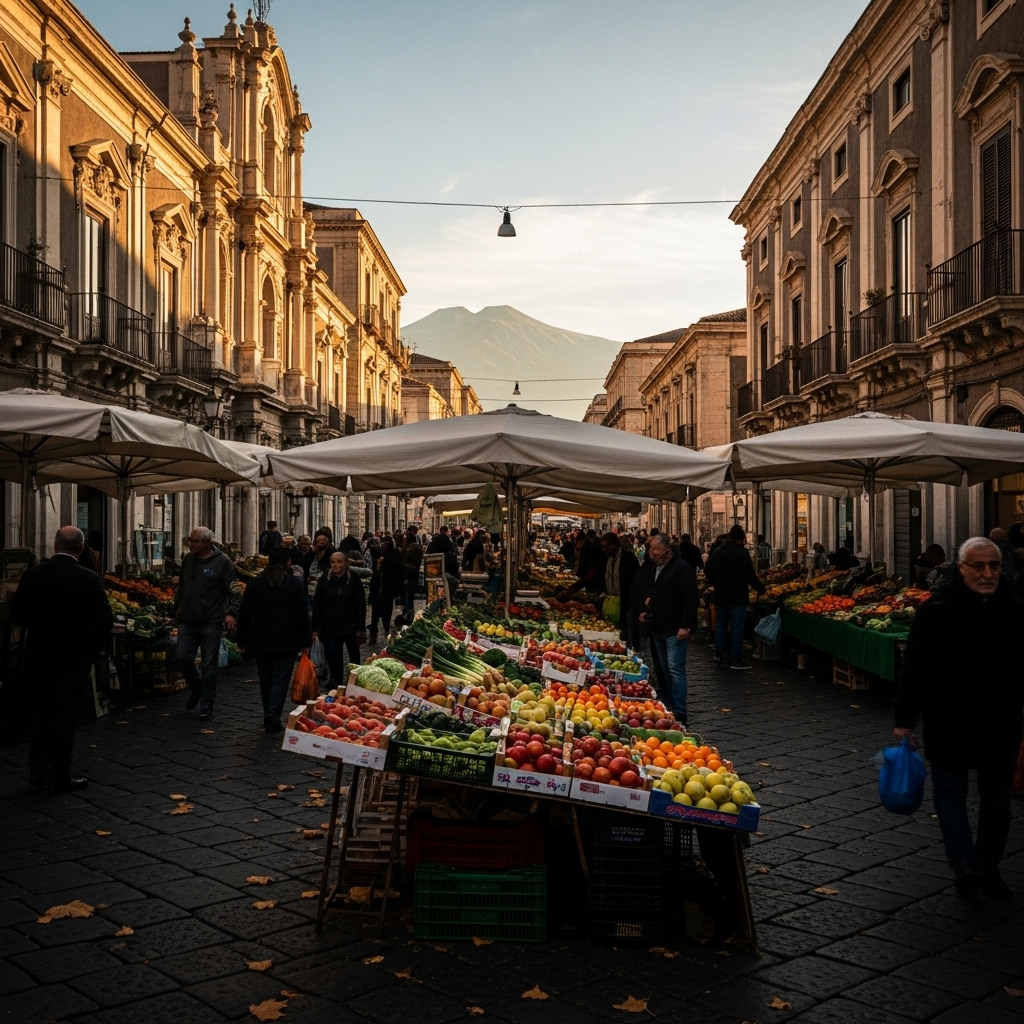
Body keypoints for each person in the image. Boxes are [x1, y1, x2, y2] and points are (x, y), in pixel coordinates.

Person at [895, 537, 1023, 899]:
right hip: (948, 720)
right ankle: (964, 862)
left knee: (997, 800)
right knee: (950, 793)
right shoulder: (935, 610)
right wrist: (905, 720)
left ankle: (988, 866)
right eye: (978, 566)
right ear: (962, 568)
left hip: (1001, 722)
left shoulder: (1015, 611)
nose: (987, 573)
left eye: (994, 566)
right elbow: (914, 666)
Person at [10, 526, 114, 792]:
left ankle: (36, 772)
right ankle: (59, 774)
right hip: (73, 659)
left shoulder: (33, 576)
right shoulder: (88, 579)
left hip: (40, 657)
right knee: (65, 716)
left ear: (55, 545)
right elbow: (104, 620)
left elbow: (17, 616)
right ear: (81, 549)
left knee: (41, 713)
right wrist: (90, 650)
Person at [236, 545, 311, 732]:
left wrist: (242, 640)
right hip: (287, 638)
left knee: (265, 678)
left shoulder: (255, 583)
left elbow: (244, 613)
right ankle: (272, 716)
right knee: (280, 679)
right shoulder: (293, 584)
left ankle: (268, 714)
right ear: (287, 562)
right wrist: (306, 640)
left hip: (261, 637)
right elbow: (302, 613)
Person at [174, 526, 241, 720]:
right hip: (188, 619)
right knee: (183, 657)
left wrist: (230, 613)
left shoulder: (222, 562)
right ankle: (197, 687)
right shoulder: (188, 560)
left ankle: (206, 704)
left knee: (209, 665)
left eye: (195, 541)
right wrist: (177, 607)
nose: (191, 545)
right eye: (190, 541)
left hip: (211, 621)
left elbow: (234, 592)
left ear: (207, 543)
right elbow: (182, 586)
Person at [640, 534, 699, 725]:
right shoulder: (656, 568)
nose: (652, 553)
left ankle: (680, 711)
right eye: (651, 549)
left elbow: (691, 598)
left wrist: (685, 625)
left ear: (667, 551)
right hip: (659, 626)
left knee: (675, 668)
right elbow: (655, 593)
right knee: (665, 670)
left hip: (675, 628)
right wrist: (647, 610)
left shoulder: (682, 569)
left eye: (655, 550)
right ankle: (671, 705)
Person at [704, 525, 765, 670]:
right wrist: (760, 588)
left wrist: (716, 583)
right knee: (737, 627)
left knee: (721, 625)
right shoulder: (741, 553)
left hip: (721, 595)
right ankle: (736, 660)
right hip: (738, 596)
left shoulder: (718, 551)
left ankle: (718, 655)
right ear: (742, 539)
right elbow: (749, 574)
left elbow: (707, 570)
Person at [312, 551, 367, 684]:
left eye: (339, 562)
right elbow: (318, 603)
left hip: (350, 625)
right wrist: (315, 626)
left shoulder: (353, 579)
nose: (335, 565)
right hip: (330, 625)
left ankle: (354, 680)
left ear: (345, 563)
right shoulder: (325, 580)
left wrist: (360, 626)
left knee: (353, 654)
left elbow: (360, 604)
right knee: (332, 654)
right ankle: (335, 678)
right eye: (332, 562)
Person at [601, 532, 639, 638]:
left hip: (625, 604)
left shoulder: (629, 559)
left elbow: (635, 583)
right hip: (609, 603)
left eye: (606, 546)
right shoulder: (605, 559)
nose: (604, 549)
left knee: (624, 634)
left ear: (614, 545)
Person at [368, 537, 404, 643]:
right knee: (375, 613)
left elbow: (397, 573)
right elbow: (375, 571)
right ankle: (373, 634)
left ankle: (387, 631)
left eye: (385, 544)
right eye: (382, 544)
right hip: (377, 588)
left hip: (388, 589)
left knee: (386, 612)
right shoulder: (379, 554)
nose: (383, 547)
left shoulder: (394, 555)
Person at [402, 528, 424, 611]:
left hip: (407, 573)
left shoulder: (408, 550)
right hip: (415, 572)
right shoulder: (418, 549)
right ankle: (410, 609)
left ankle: (407, 610)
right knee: (411, 593)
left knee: (407, 592)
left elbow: (404, 561)